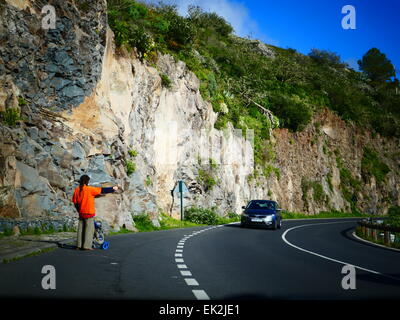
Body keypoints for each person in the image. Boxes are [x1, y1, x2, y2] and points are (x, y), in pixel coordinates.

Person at [72, 175, 119, 251]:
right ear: (87, 181)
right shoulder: (89, 189)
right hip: (89, 212)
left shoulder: (77, 190)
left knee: (81, 229)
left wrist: (79, 210)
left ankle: (79, 245)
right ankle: (86, 246)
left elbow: (75, 202)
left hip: (81, 213)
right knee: (89, 230)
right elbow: (101, 190)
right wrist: (113, 188)